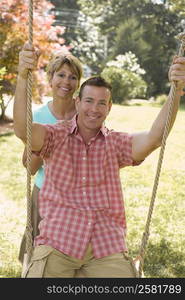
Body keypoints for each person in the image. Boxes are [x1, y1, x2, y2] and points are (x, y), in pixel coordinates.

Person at [13, 57, 185, 277]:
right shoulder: (55, 135)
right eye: (89, 101)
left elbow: (154, 138)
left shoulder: (116, 143)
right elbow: (22, 128)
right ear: (77, 103)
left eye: (101, 103)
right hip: (58, 241)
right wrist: (22, 77)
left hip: (105, 246)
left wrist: (175, 91)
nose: (94, 109)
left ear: (109, 107)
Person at [15, 42, 83, 265]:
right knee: (40, 255)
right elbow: (30, 167)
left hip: (77, 197)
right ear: (51, 78)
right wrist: (46, 144)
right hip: (45, 194)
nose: (66, 82)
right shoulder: (39, 116)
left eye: (73, 77)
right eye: (61, 75)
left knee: (70, 257)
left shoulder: (85, 111)